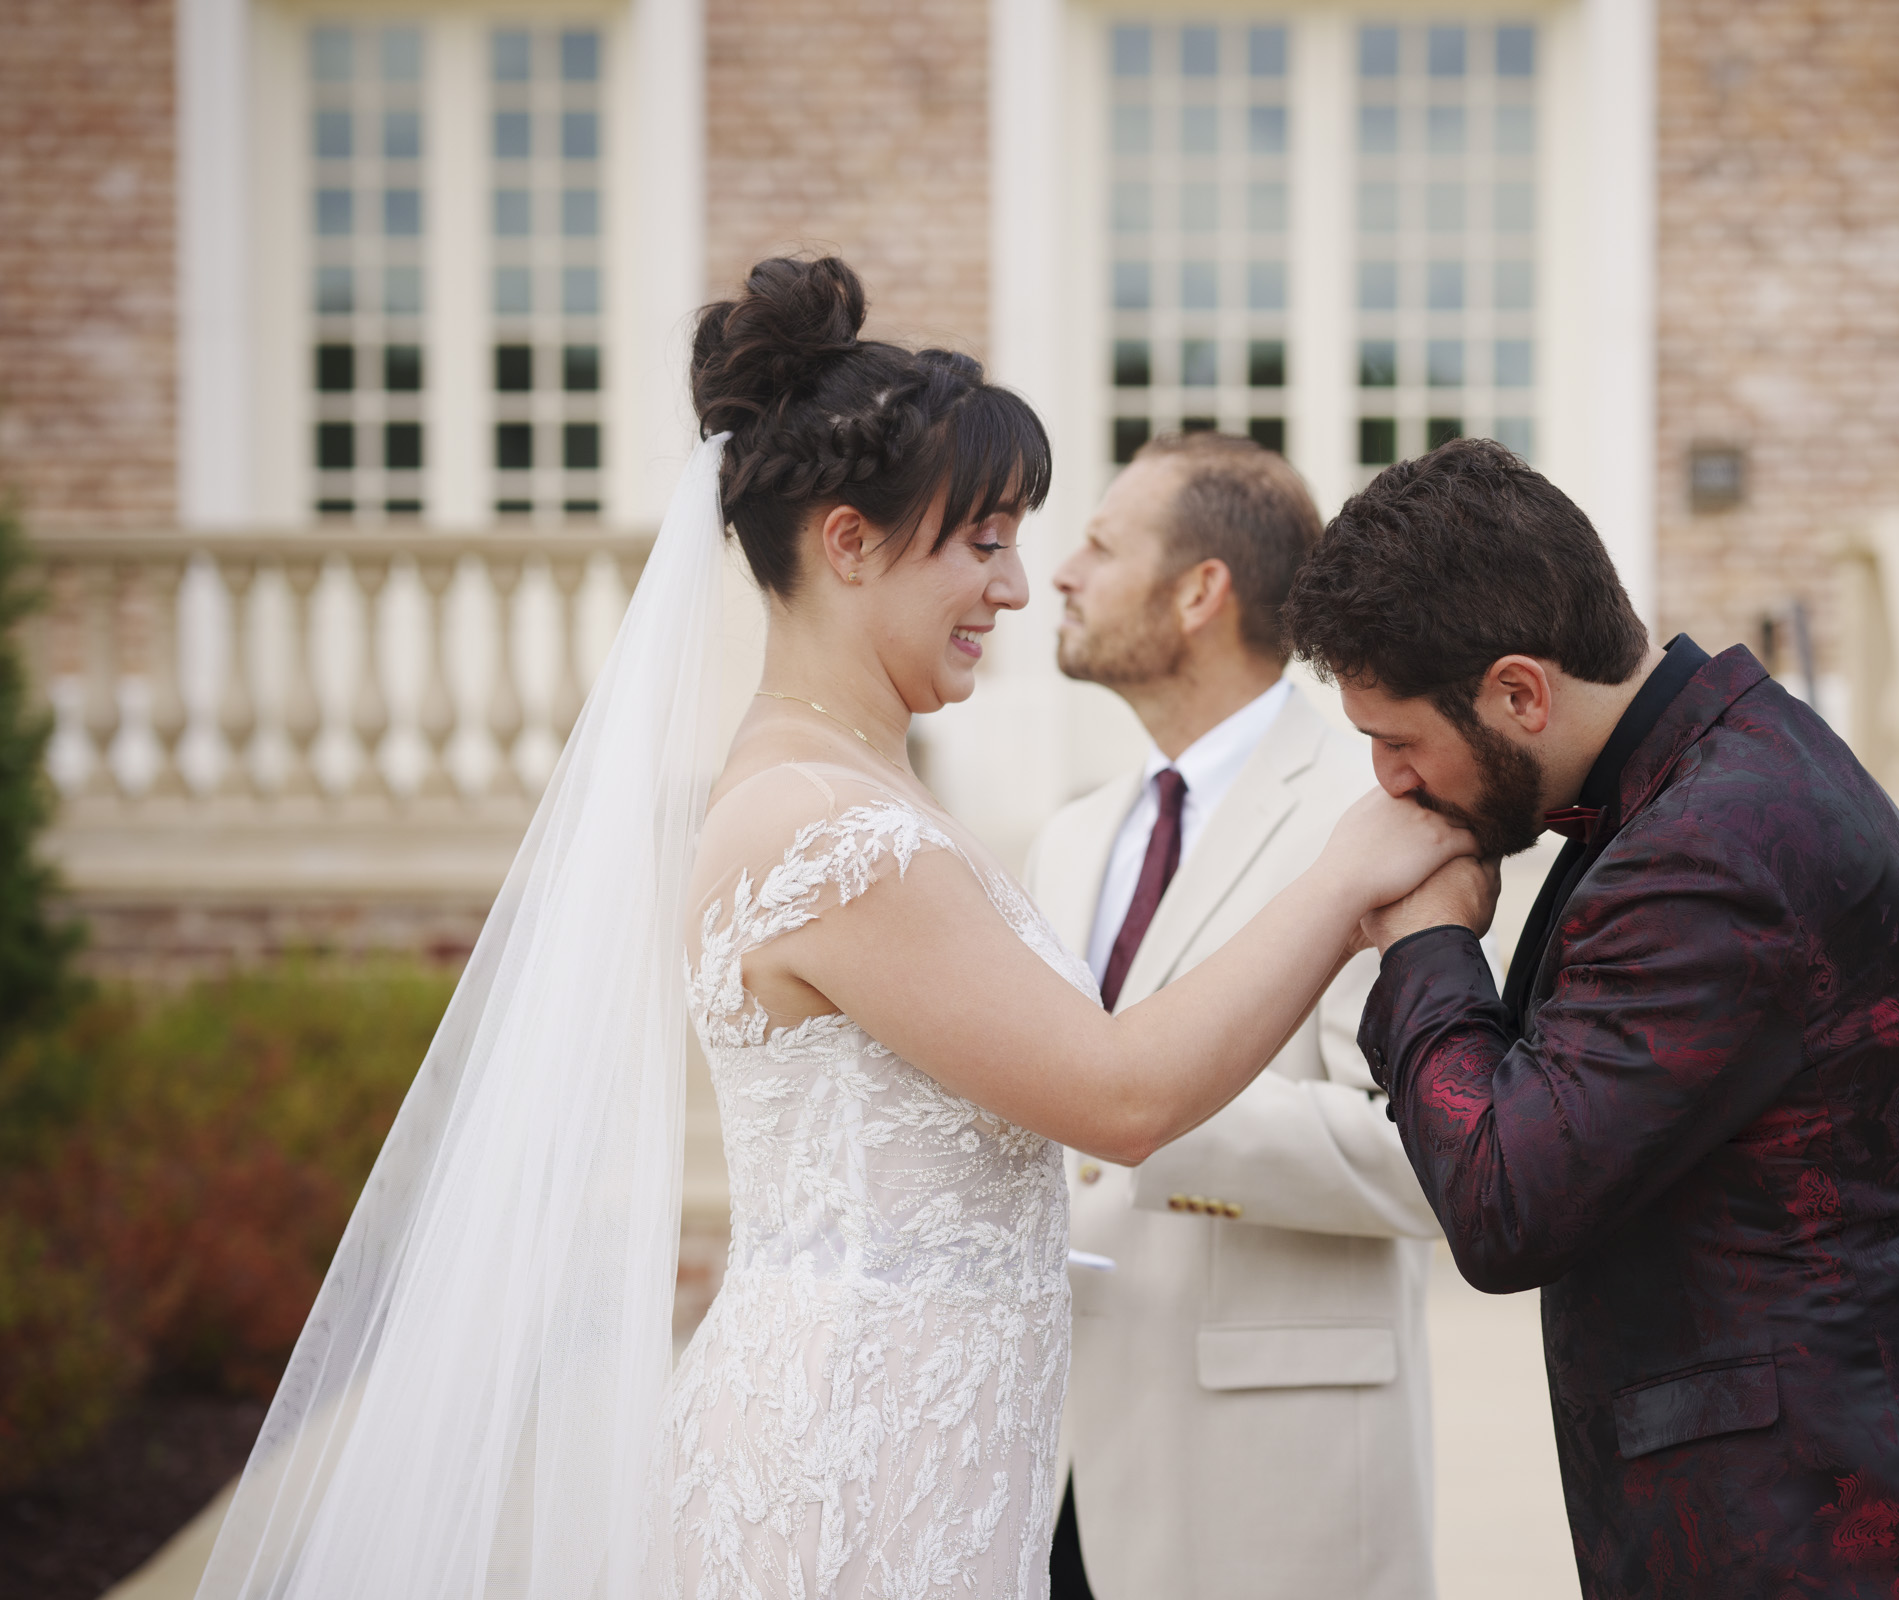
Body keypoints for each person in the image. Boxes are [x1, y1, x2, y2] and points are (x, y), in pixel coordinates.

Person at [193, 258, 1470, 1600]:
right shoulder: (830, 832)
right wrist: (1345, 882)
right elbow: (1123, 1092)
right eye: (982, 541)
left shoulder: (856, 791)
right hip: (860, 1476)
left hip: (930, 1453)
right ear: (849, 543)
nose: (1020, 588)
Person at [1282, 438, 1899, 1599]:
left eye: (1397, 741)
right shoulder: (1712, 770)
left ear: (1520, 689)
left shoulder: (1706, 852)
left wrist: (1423, 943)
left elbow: (1504, 1199)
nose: (1389, 782)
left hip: (1844, 1543)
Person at [1026, 431, 1441, 1600]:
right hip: (1052, 1471)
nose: (1061, 573)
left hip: (1277, 1490)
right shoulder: (1069, 836)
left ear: (1200, 590)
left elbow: (1438, 1155)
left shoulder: (1380, 814)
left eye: (1101, 546)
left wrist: (1140, 1105)